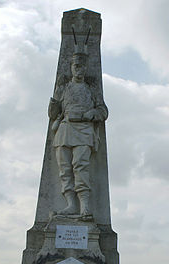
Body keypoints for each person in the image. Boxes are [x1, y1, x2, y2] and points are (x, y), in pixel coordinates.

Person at [48, 45, 108, 217]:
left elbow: (103, 111)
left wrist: (92, 114)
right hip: (65, 129)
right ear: (71, 68)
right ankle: (71, 205)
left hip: (84, 130)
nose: (78, 69)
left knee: (81, 167)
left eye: (81, 66)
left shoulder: (91, 89)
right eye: (75, 66)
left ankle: (85, 207)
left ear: (85, 68)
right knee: (65, 169)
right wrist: (56, 93)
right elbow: (53, 114)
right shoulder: (64, 88)